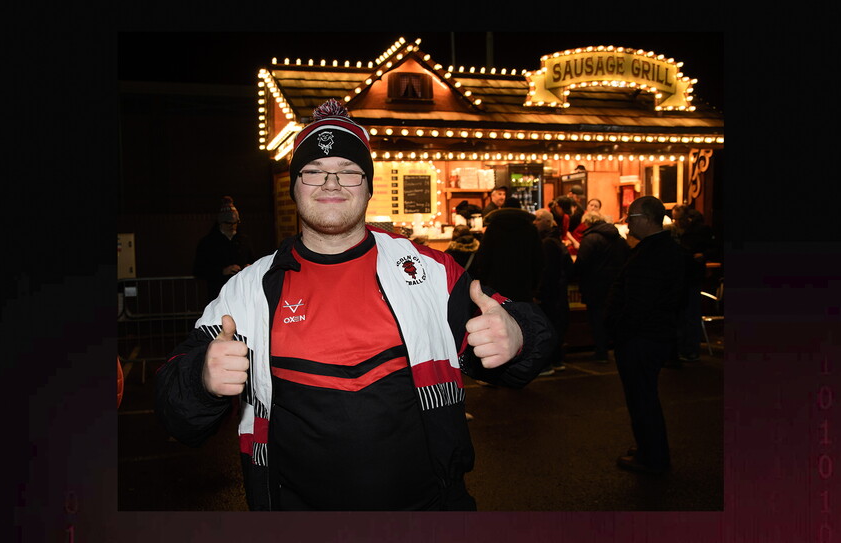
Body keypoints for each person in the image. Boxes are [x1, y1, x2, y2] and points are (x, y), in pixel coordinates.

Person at [155, 99, 555, 511]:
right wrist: (201, 378)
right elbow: (175, 409)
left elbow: (529, 336)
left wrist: (518, 334)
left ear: (368, 187)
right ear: (294, 185)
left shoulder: (429, 272)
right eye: (314, 172)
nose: (332, 183)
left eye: (348, 171)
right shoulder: (247, 291)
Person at [604, 196, 684, 474]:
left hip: (641, 337)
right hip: (653, 334)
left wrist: (620, 331)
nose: (627, 223)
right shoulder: (664, 249)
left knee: (642, 399)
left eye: (631, 217)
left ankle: (652, 457)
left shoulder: (651, 254)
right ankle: (649, 448)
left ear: (646, 218)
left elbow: (638, 301)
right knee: (644, 396)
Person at [570, 210, 630, 363]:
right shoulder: (619, 238)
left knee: (596, 320)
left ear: (588, 223)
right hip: (615, 286)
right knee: (614, 319)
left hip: (595, 286)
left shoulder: (590, 239)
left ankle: (601, 352)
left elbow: (582, 263)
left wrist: (573, 274)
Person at [469, 196, 543, 304]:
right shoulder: (530, 229)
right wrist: (534, 285)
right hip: (523, 282)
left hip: (496, 283)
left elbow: (483, 257)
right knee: (522, 317)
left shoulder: (493, 228)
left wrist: (485, 281)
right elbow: (538, 259)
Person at [671, 205, 715, 363]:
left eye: (679, 219)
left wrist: (703, 255)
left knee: (690, 314)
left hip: (691, 275)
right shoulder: (680, 230)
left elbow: (714, 248)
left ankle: (690, 349)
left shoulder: (700, 230)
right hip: (685, 274)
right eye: (675, 219)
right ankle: (684, 348)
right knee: (684, 314)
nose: (677, 222)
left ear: (687, 218)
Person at [193, 196, 257, 300]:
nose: (232, 226)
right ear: (220, 223)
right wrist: (222, 271)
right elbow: (198, 270)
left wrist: (249, 267)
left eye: (235, 223)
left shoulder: (244, 240)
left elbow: (253, 261)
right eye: (228, 223)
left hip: (242, 292)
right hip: (219, 293)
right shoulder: (208, 242)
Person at [533, 209, 572, 373]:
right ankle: (556, 360)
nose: (534, 222)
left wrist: (539, 293)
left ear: (547, 222)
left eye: (538, 219)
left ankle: (547, 363)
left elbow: (547, 272)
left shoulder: (548, 243)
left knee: (547, 327)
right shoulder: (555, 240)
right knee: (555, 326)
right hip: (557, 292)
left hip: (550, 294)